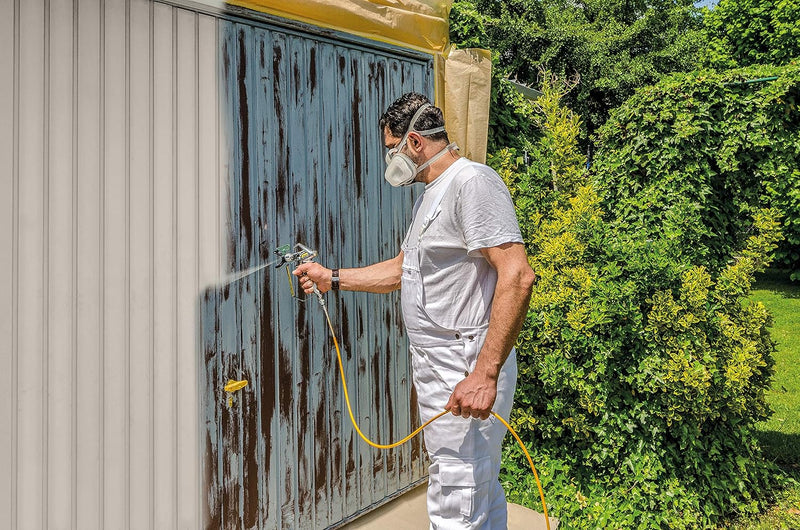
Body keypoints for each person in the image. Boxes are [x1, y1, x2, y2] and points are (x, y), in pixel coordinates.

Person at [293, 93, 536, 529]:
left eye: (393, 149)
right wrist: (333, 277)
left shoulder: (472, 183)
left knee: (458, 494)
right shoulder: (432, 194)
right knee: (473, 485)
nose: (391, 159)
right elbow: (402, 270)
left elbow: (517, 276)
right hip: (439, 362)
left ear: (416, 142)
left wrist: (484, 374)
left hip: (464, 361)